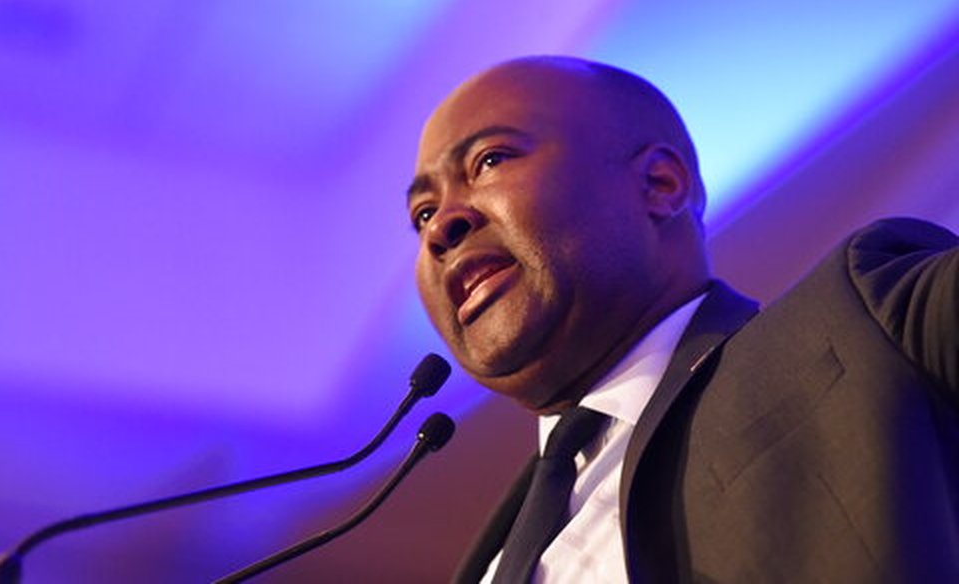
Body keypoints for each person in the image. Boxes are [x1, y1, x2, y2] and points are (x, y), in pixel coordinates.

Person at [406, 56, 959, 583]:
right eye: (422, 214)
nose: (440, 228)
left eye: (491, 160)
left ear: (660, 184)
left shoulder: (862, 326)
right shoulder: (486, 564)